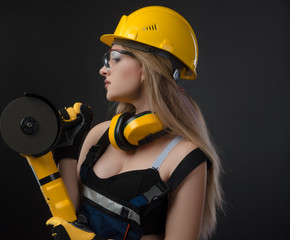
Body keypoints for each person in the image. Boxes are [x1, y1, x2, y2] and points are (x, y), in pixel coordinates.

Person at [49, 6, 223, 240]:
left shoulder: (185, 159)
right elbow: (71, 213)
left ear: (146, 68)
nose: (103, 69)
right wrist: (66, 152)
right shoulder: (100, 135)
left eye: (115, 58)